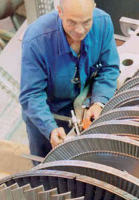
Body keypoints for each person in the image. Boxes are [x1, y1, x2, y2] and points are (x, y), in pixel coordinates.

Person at [19, 0, 120, 159]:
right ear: (60, 12)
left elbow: (109, 68)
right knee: (47, 163)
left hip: (82, 106)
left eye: (86, 22)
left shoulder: (103, 23)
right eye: (71, 22)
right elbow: (31, 95)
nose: (79, 31)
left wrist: (99, 102)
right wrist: (50, 129)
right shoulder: (36, 40)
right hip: (47, 114)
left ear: (93, 9)